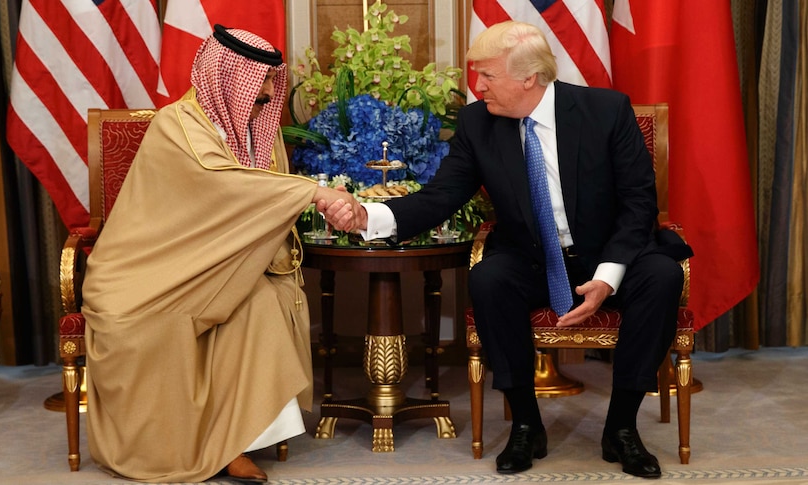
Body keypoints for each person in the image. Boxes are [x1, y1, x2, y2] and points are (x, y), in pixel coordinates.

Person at [322, 21, 685, 479]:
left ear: (529, 77)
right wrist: (367, 217)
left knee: (662, 276)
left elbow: (639, 203)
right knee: (488, 278)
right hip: (532, 256)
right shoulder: (478, 122)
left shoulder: (606, 111)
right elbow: (441, 195)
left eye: (488, 75)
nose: (477, 86)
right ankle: (527, 425)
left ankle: (622, 427)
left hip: (609, 251)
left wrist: (608, 276)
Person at [81, 26, 357, 483]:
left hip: (229, 268)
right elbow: (222, 186)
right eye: (262, 80)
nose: (271, 91)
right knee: (174, 319)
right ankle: (192, 446)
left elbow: (262, 201)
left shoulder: (261, 132)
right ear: (229, 76)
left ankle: (237, 444)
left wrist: (315, 199)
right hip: (150, 270)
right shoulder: (178, 125)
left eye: (272, 79)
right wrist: (314, 193)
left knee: (261, 305)